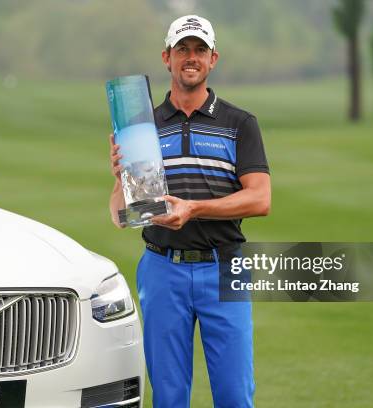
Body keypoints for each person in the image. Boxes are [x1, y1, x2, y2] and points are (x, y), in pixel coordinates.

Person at [108, 15, 271, 408]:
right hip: (163, 269)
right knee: (168, 397)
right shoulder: (141, 126)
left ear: (213, 59)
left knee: (234, 396)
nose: (191, 57)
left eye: (199, 50)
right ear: (167, 57)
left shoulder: (239, 124)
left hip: (224, 267)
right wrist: (119, 178)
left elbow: (260, 199)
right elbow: (119, 216)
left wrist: (195, 209)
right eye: (183, 49)